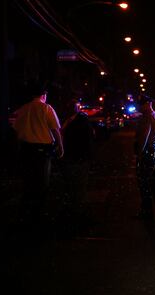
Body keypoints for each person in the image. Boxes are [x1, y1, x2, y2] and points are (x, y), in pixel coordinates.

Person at [13, 80, 64, 227]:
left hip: (26, 149)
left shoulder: (23, 109)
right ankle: (38, 214)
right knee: (42, 182)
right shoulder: (46, 109)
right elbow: (55, 129)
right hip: (42, 150)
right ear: (44, 95)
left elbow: (16, 130)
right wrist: (60, 146)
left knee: (28, 181)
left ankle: (25, 214)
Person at [59, 99, 95, 233]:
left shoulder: (78, 121)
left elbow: (86, 139)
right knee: (76, 187)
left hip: (77, 157)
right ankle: (75, 213)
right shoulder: (76, 120)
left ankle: (76, 214)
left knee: (76, 187)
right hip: (75, 158)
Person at [134, 94, 155, 226]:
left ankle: (147, 213)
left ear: (147, 104)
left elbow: (143, 139)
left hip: (148, 156)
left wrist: (139, 154)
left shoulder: (147, 118)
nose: (139, 107)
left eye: (140, 104)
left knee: (145, 186)